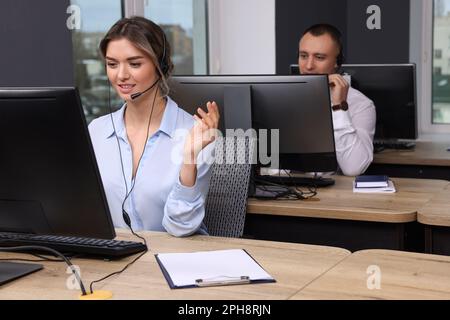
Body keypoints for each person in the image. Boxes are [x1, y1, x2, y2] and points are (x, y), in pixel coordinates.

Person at [88, 16, 220, 236]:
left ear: (161, 66)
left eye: (135, 63)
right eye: (112, 64)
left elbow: (181, 228)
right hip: (114, 260)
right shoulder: (96, 131)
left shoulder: (196, 134)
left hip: (174, 259)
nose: (121, 75)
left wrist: (189, 160)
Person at [298, 24, 376, 176]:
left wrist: (339, 107)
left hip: (329, 195)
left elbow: (353, 168)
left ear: (337, 62)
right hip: (282, 192)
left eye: (319, 57)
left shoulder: (361, 105)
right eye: (304, 56)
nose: (308, 66)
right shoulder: (283, 97)